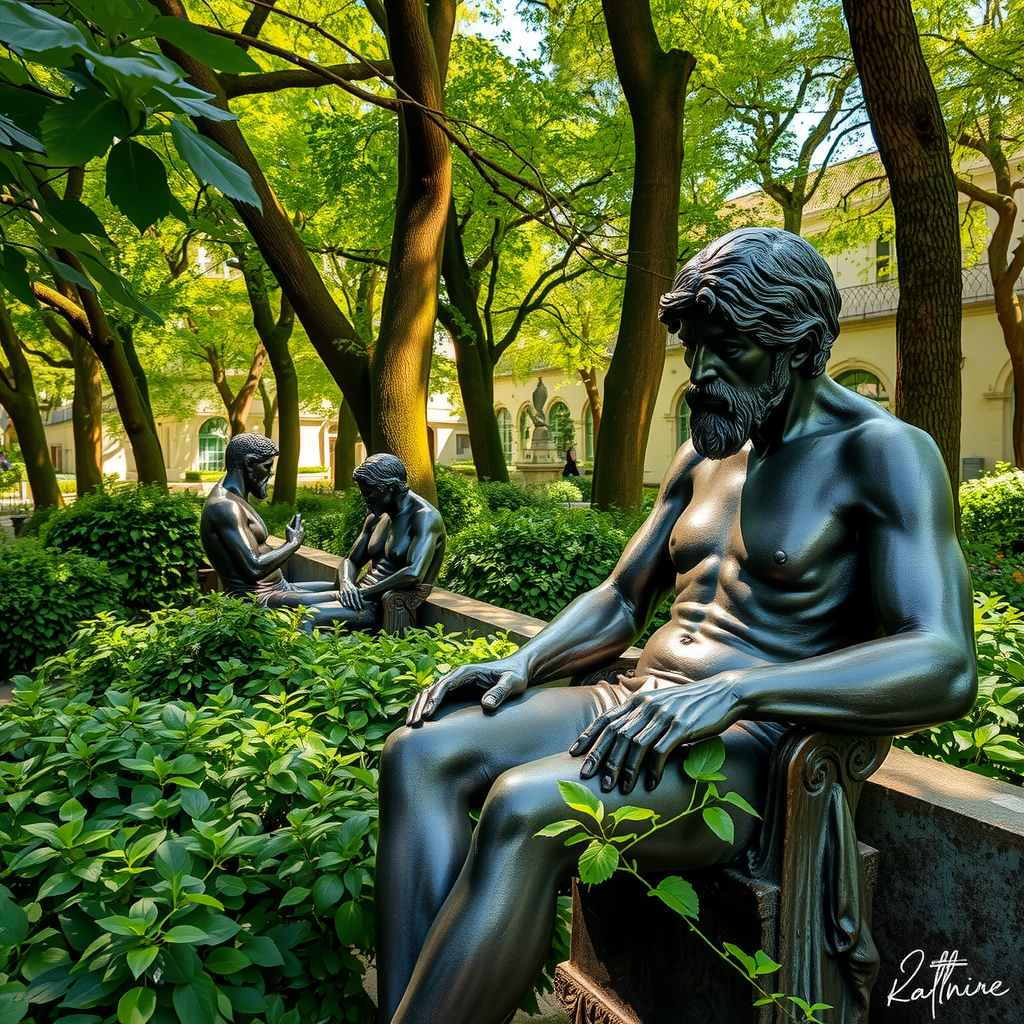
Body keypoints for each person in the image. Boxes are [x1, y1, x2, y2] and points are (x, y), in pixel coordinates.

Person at [373, 227, 977, 1024]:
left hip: (748, 748)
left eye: (728, 349)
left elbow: (944, 661)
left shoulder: (885, 453)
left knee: (525, 808)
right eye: (694, 350)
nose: (700, 375)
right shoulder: (705, 454)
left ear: (801, 347)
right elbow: (622, 598)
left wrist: (737, 692)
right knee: (418, 753)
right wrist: (528, 662)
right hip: (634, 701)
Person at [200, 437, 445, 629]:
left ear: (389, 488)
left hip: (378, 599)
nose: (364, 499)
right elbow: (351, 560)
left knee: (311, 612)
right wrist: (347, 583)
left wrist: (359, 591)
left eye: (368, 492)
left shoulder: (424, 517)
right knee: (316, 605)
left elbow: (413, 573)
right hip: (353, 593)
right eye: (267, 467)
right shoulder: (377, 516)